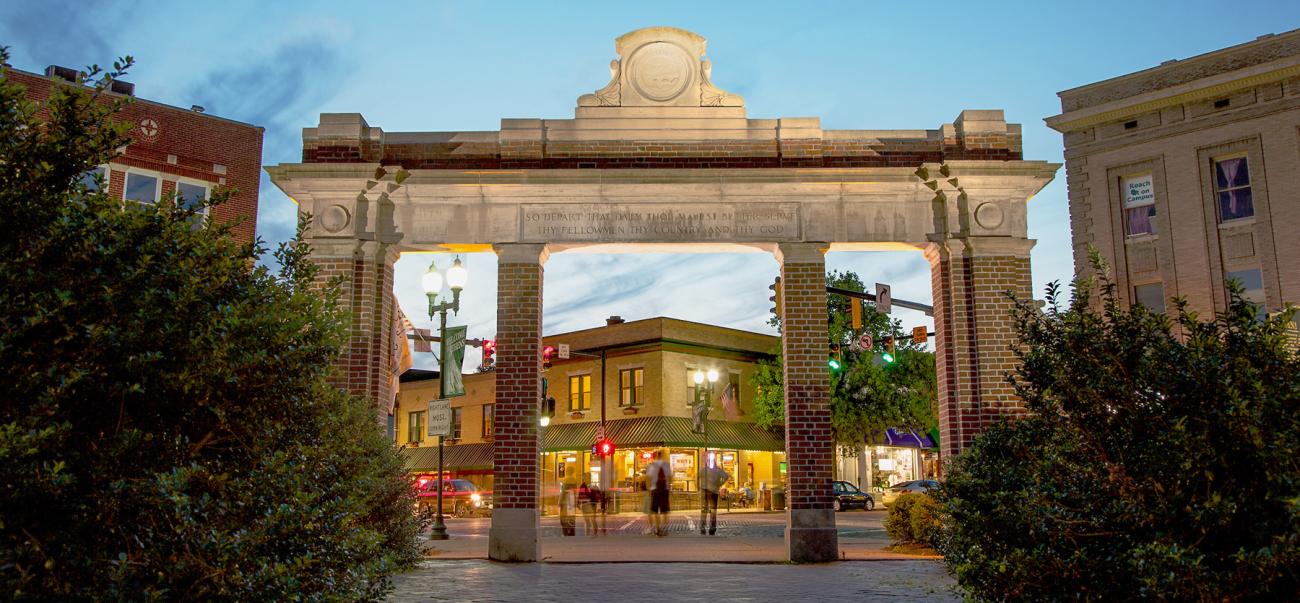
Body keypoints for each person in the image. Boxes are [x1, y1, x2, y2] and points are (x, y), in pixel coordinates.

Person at [646, 450, 672, 537]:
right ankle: (664, 529)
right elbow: (670, 477)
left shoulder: (652, 465)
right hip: (664, 489)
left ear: (656, 456)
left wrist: (649, 489)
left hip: (655, 489)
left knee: (655, 510)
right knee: (665, 511)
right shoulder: (666, 464)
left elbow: (648, 478)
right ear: (662, 455)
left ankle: (658, 529)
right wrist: (669, 487)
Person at [700, 462, 730, 535]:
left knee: (704, 510)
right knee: (713, 511)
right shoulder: (717, 470)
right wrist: (719, 484)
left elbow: (697, 476)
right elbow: (726, 476)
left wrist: (701, 485)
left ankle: (702, 528)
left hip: (705, 491)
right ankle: (712, 529)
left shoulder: (704, 469)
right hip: (714, 491)